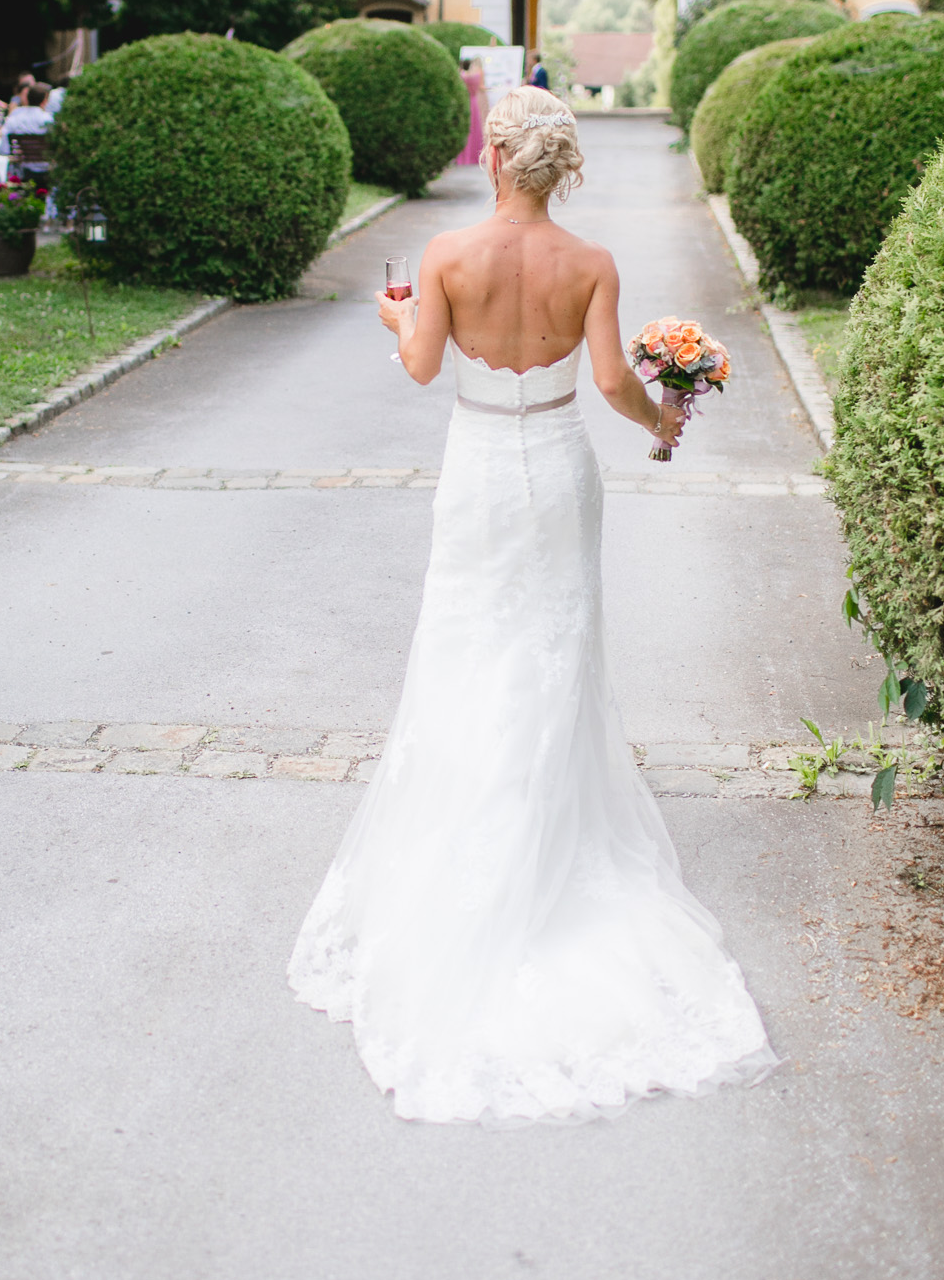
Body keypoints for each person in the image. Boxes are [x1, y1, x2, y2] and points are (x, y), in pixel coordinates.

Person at [289, 86, 777, 1125]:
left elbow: (421, 367)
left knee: (465, 646)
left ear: (496, 158)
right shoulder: (590, 263)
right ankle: (545, 833)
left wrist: (399, 316)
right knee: (554, 649)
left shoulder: (446, 254)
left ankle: (464, 831)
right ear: (560, 168)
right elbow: (610, 383)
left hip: (477, 469)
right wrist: (663, 422)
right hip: (556, 469)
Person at [0, 81, 52, 154]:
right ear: (44, 101)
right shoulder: (48, 119)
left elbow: (4, 134)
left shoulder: (16, 115)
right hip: (43, 160)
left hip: (20, 160)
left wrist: (6, 154)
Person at [455, 56, 486, 167]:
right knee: (475, 128)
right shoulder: (476, 76)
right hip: (474, 101)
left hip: (466, 101)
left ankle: (465, 156)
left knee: (467, 128)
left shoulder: (462, 76)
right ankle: (475, 155)